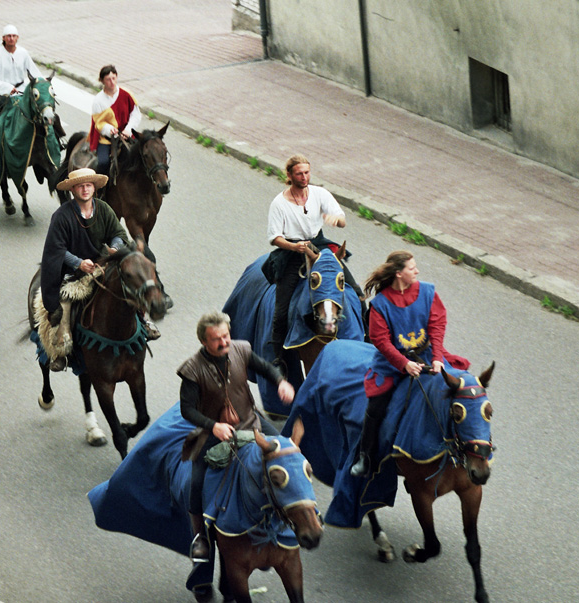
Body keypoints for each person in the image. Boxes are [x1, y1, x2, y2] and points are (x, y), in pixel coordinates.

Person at [178, 311, 295, 565]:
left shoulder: (241, 350)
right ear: (203, 342)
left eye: (226, 336)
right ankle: (200, 537)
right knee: (195, 482)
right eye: (216, 339)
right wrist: (214, 426)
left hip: (251, 421)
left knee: (288, 452)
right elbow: (186, 410)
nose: (224, 342)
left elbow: (264, 368)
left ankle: (296, 511)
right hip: (214, 431)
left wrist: (280, 382)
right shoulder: (192, 369)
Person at [40, 168, 163, 371]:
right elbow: (56, 249)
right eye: (80, 186)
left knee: (129, 283)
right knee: (66, 303)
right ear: (72, 189)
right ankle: (63, 349)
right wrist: (78, 262)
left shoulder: (103, 209)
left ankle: (143, 321)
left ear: (94, 188)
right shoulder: (61, 216)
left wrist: (115, 245)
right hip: (73, 271)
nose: (85, 189)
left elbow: (117, 232)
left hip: (101, 263)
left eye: (88, 185)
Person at [349, 251, 446, 477]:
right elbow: (380, 341)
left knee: (461, 387)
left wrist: (438, 358)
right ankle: (366, 456)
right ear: (399, 274)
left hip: (427, 356)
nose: (417, 271)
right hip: (392, 364)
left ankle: (473, 442)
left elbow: (437, 325)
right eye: (412, 268)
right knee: (376, 407)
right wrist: (404, 364)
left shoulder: (428, 292)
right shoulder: (380, 304)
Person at [265, 154, 361, 375]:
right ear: (289, 175)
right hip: (292, 252)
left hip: (320, 247)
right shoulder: (279, 204)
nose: (304, 177)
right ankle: (279, 358)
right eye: (299, 173)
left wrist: (336, 220)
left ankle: (364, 337)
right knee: (280, 310)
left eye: (307, 172)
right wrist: (293, 247)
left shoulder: (320, 194)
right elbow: (274, 238)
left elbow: (341, 218)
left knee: (355, 292)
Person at [0, 24, 42, 161]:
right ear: (3, 38)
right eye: (8, 36)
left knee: (42, 111)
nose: (11, 39)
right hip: (2, 95)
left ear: (17, 38)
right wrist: (6, 87)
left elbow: (34, 71)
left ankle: (53, 141)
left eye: (13, 36)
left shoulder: (23, 53)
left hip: (22, 93)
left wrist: (43, 83)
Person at [88, 65, 141, 176]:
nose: (112, 82)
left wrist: (128, 130)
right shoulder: (98, 100)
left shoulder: (126, 94)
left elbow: (135, 114)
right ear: (102, 81)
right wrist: (110, 130)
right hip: (107, 139)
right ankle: (101, 190)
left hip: (127, 135)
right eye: (108, 79)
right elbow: (98, 123)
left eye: (114, 78)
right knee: (103, 163)